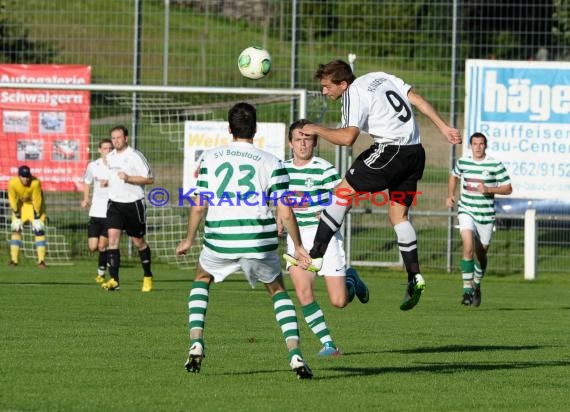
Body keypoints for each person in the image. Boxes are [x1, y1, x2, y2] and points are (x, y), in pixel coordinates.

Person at [286, 59, 462, 311]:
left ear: (343, 84)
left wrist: (315, 128)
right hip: (415, 152)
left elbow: (348, 138)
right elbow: (418, 99)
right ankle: (414, 276)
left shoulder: (353, 93)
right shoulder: (380, 76)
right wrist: (443, 127)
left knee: (342, 194)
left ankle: (315, 256)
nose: (325, 92)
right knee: (398, 215)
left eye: (327, 86)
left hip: (390, 151)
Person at [175, 102, 313, 379]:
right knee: (277, 291)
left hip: (220, 239)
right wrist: (298, 245)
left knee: (202, 278)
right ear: (256, 129)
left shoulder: (210, 158)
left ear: (229, 129)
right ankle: (295, 354)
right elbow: (284, 211)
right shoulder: (271, 161)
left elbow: (199, 205)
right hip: (259, 240)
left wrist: (189, 239)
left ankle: (196, 340)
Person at [282, 119, 369, 357]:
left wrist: (333, 212)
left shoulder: (324, 168)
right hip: (297, 240)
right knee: (303, 292)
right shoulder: (282, 170)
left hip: (325, 237)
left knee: (339, 301)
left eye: (307, 139)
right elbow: (281, 203)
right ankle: (329, 345)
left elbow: (346, 196)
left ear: (315, 143)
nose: (302, 144)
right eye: (298, 139)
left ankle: (352, 279)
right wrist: (280, 221)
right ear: (290, 143)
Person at [446, 132, 512, 307]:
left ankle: (476, 284)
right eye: (474, 143)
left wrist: (489, 189)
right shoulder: (463, 162)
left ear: (485, 146)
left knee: (481, 254)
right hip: (466, 210)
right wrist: (450, 195)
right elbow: (453, 175)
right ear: (470, 146)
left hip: (486, 215)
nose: (478, 147)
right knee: (467, 247)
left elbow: (508, 188)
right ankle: (467, 291)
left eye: (481, 144)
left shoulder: (494, 164)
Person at [101, 125, 155, 292]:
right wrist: (107, 181)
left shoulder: (135, 156)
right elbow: (113, 177)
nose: (116, 141)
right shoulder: (109, 157)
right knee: (112, 240)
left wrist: (129, 178)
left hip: (133, 204)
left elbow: (150, 179)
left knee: (138, 242)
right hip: (114, 204)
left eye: (119, 137)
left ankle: (147, 276)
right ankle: (114, 280)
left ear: (126, 138)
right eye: (113, 138)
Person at [81, 138, 113, 283]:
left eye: (110, 148)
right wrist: (86, 199)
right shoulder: (93, 166)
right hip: (95, 211)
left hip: (111, 212)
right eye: (105, 148)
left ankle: (100, 274)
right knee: (93, 246)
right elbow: (87, 182)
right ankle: (106, 260)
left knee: (102, 245)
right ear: (100, 150)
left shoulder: (117, 167)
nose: (108, 151)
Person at [8, 165, 47, 268]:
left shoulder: (35, 183)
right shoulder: (13, 183)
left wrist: (37, 217)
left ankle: (41, 261)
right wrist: (16, 213)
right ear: (19, 176)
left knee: (39, 230)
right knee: (16, 230)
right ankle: (14, 260)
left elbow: (37, 200)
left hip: (35, 207)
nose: (26, 179)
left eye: (27, 176)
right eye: (23, 176)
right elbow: (12, 198)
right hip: (21, 206)